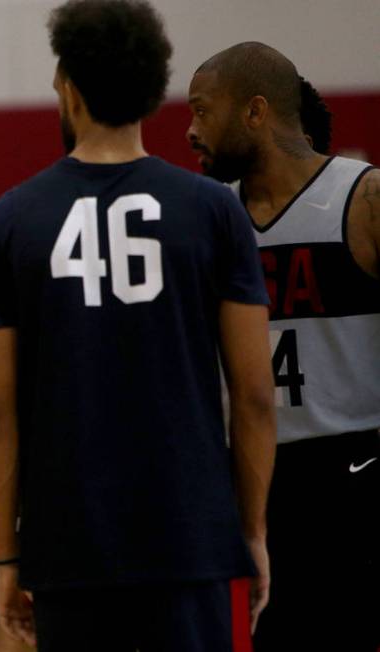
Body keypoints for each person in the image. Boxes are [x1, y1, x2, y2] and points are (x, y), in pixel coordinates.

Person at [0, 2, 276, 651]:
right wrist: (250, 532)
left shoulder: (9, 220)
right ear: (150, 88)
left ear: (69, 89)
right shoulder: (213, 213)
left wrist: (5, 556)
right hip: (191, 535)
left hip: (66, 542)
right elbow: (251, 395)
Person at [187, 42, 380, 652]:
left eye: (201, 110)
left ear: (255, 112)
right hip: (246, 472)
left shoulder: (364, 197)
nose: (191, 131)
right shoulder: (211, 219)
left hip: (353, 467)